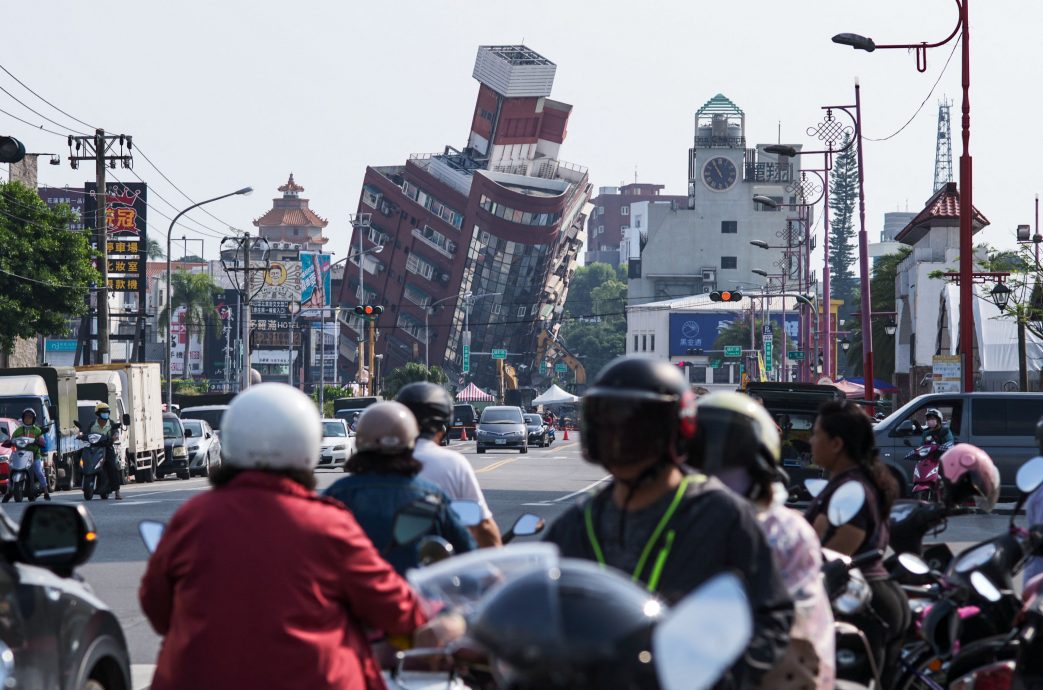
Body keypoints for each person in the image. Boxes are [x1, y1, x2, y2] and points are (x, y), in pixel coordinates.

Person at [140, 384, 434, 690]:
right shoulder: (328, 523)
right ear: (307, 446)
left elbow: (157, 608)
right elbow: (396, 609)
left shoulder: (193, 517)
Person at [543, 356, 793, 689]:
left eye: (633, 425)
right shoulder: (577, 523)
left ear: (675, 429)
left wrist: (723, 676)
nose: (617, 436)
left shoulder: (722, 515)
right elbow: (539, 611)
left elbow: (771, 615)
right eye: (606, 422)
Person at [688, 391, 834, 689]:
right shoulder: (672, 521)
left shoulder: (784, 532)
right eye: (707, 453)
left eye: (729, 457)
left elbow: (797, 630)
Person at [805, 399, 910, 688]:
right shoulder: (851, 482)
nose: (811, 441)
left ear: (837, 443)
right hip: (870, 599)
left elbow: (836, 554)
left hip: (865, 604)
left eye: (816, 434)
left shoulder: (852, 490)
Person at [324, 401, 474, 574]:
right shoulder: (432, 497)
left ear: (360, 442)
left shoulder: (336, 495)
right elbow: (470, 558)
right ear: (410, 442)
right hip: (417, 598)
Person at [395, 382, 502, 547]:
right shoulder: (452, 463)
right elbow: (484, 526)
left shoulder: (376, 462)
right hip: (441, 563)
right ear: (444, 426)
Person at [3, 408, 49, 502]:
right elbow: (12, 439)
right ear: (23, 418)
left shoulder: (37, 430)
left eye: (30, 418)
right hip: (20, 456)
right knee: (11, 470)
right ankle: (8, 492)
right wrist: (9, 442)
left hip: (34, 456)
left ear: (33, 419)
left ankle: (46, 492)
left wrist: (39, 441)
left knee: (38, 472)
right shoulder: (18, 430)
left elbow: (42, 441)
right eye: (26, 417)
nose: (28, 419)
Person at [87, 402, 122, 500]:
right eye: (103, 412)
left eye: (107, 412)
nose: (105, 414)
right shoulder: (92, 424)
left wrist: (114, 437)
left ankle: (117, 492)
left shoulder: (111, 423)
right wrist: (82, 435)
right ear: (98, 414)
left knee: (112, 467)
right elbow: (86, 433)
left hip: (107, 448)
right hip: (94, 448)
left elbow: (115, 433)